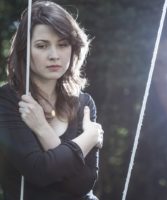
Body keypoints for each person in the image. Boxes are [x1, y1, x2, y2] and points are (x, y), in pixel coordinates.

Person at [0, 1, 104, 200]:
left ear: (73, 48)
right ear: (24, 50)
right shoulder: (7, 101)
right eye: (42, 45)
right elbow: (39, 171)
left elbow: (82, 185)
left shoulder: (84, 104)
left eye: (63, 44)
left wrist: (43, 129)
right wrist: (87, 139)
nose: (54, 55)